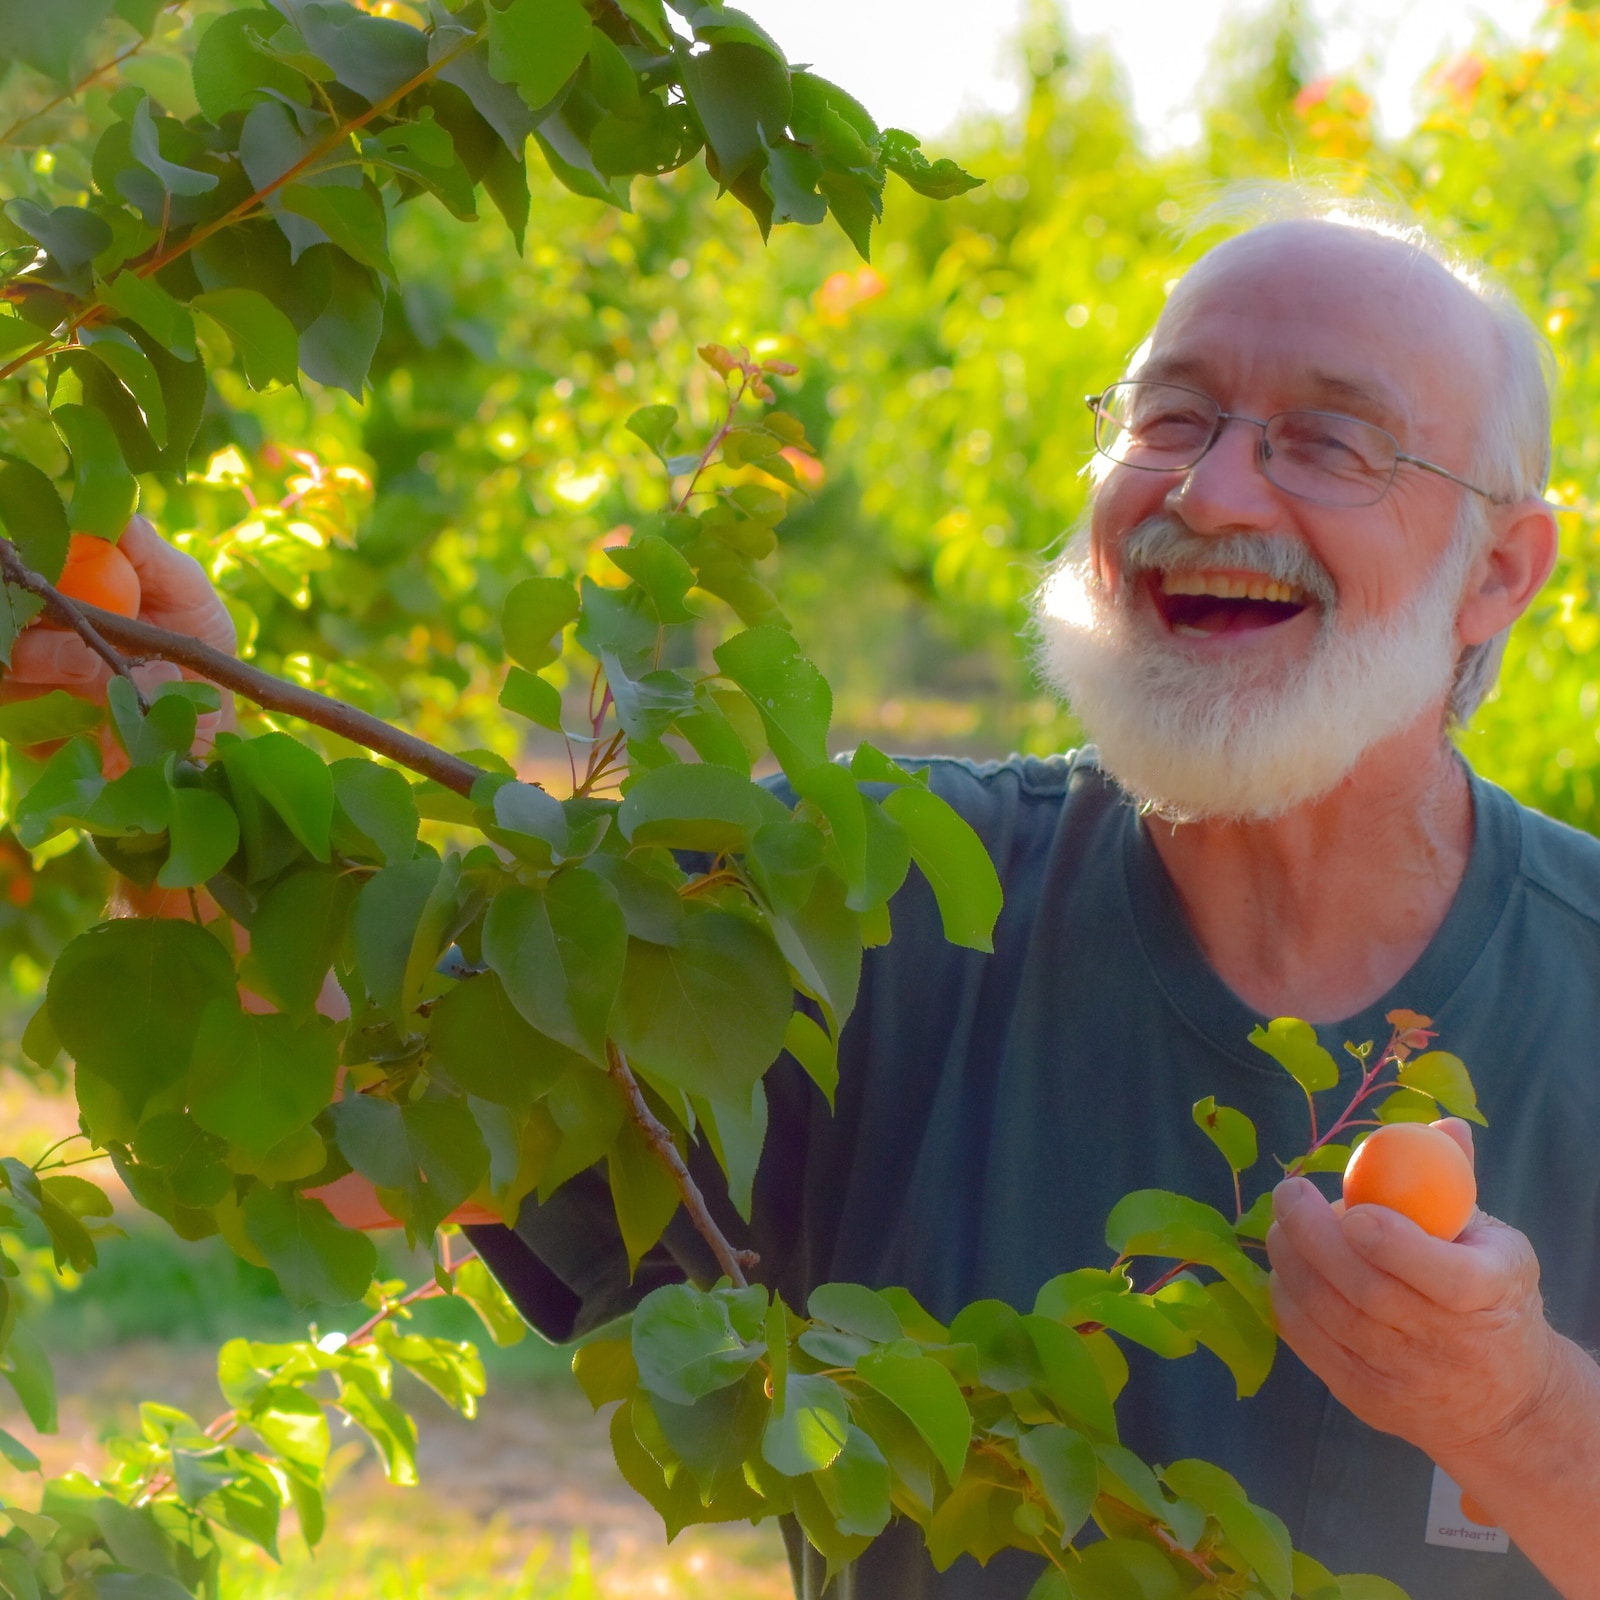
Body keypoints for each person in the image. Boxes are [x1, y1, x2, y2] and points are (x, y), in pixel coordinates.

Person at [13, 198, 1600, 1599]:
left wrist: (1517, 1412)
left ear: (1498, 572)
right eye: (1170, 418)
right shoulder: (867, 896)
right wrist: (178, 732)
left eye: (1330, 438)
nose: (1218, 489)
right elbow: (371, 1121)